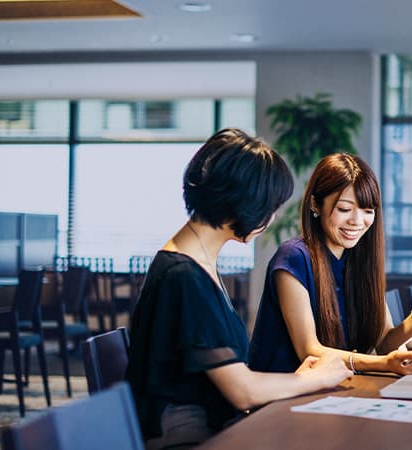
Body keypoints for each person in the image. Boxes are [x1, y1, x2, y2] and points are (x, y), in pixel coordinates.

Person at [125, 129, 353, 449]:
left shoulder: (194, 263)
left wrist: (301, 378)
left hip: (213, 426)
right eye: (270, 206)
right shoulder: (183, 276)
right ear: (246, 203)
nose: (271, 218)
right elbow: (241, 391)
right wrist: (317, 378)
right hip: (190, 438)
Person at [248, 152, 412, 375]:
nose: (357, 221)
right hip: (281, 399)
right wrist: (383, 364)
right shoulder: (294, 257)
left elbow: (385, 343)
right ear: (315, 205)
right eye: (345, 209)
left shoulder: (359, 260)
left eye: (368, 210)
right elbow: (310, 351)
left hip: (332, 390)